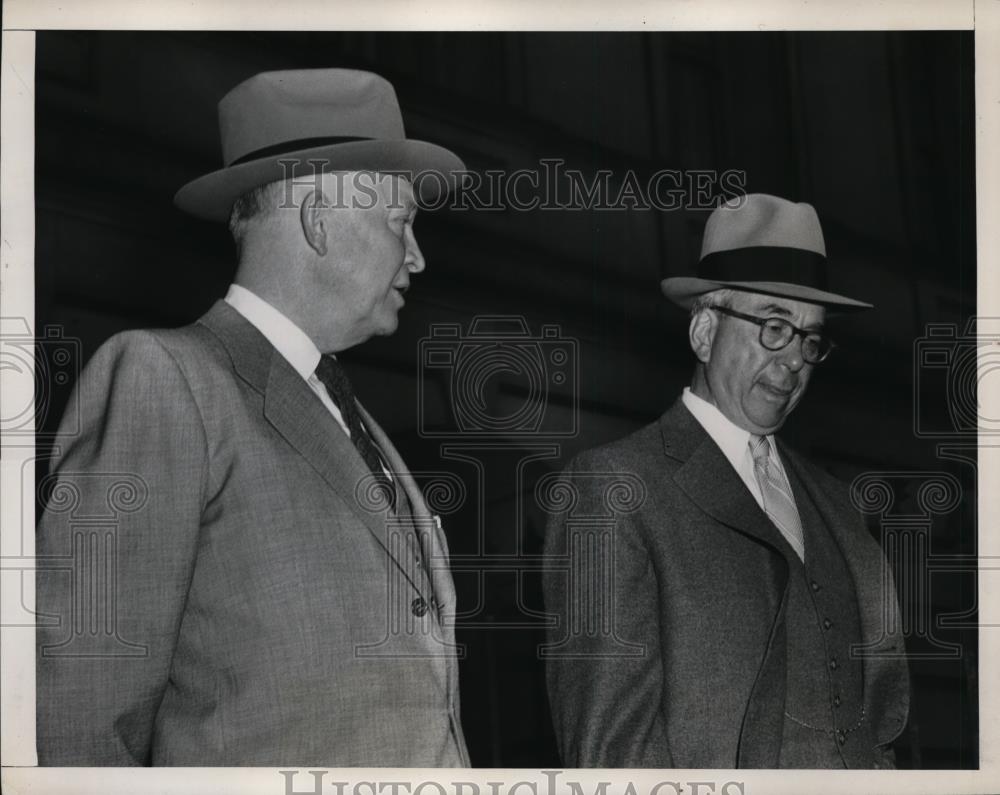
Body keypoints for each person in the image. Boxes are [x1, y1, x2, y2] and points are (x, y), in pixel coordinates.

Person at [36, 68, 470, 766]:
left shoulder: (357, 420)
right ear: (318, 220)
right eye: (401, 221)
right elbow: (76, 722)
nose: (417, 256)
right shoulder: (166, 381)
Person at [543, 193, 910, 769]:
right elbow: (611, 756)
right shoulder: (614, 489)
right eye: (772, 326)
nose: (793, 360)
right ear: (705, 333)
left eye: (810, 339)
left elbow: (876, 724)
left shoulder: (835, 502)